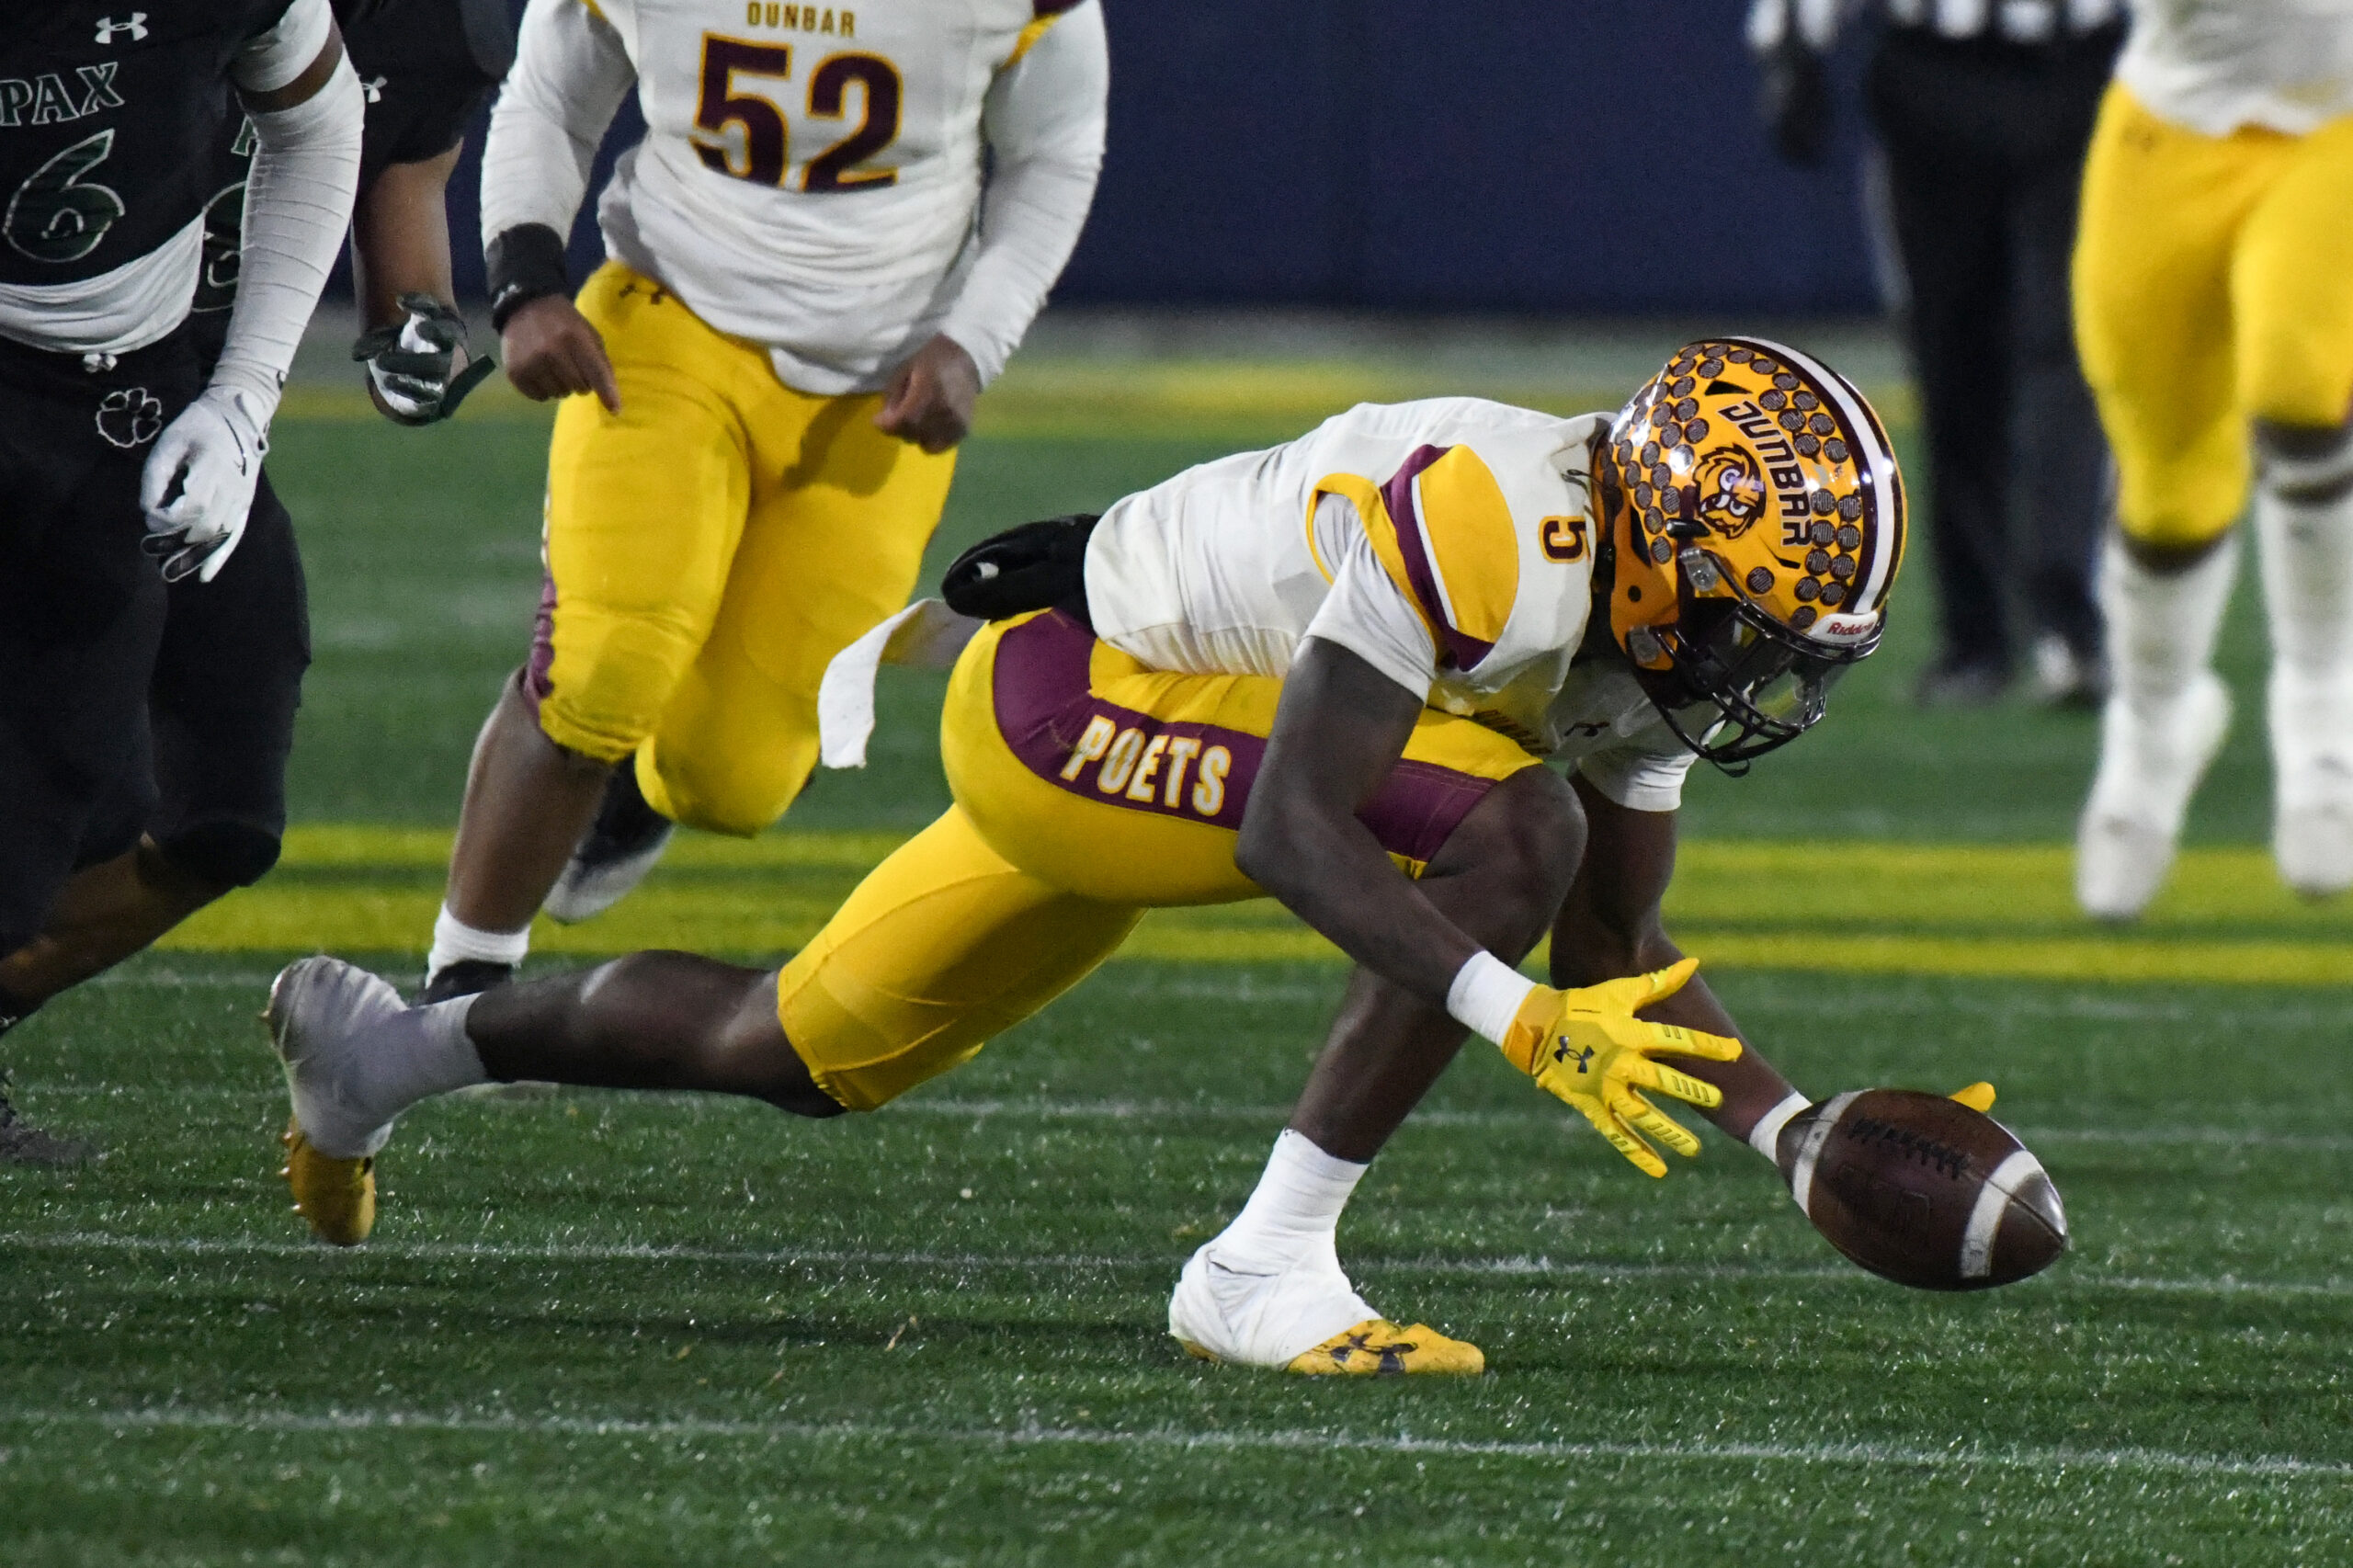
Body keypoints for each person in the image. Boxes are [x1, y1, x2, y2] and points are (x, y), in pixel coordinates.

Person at [267, 339, 1918, 1374]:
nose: (1750, 668)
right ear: (1655, 529)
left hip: (1152, 745)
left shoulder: (1636, 638)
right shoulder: (1503, 524)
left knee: (786, 1043)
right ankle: (1260, 1265)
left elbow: (1615, 951)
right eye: (1744, 619)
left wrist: (1796, 1128)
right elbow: (1297, 829)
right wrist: (1507, 1011)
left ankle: (387, 1053)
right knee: (1516, 821)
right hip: (1075, 699)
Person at [418, 0, 1110, 1004]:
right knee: (601, 671)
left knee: (734, 782)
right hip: (669, 314)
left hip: (878, 380)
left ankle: (633, 789)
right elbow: (552, 94)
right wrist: (525, 283)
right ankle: (459, 988)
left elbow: (1053, 155)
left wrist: (973, 340)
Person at [0, 0, 512, 1166]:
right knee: (67, 788)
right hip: (88, 372)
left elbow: (399, 192)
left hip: (199, 411)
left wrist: (412, 335)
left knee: (216, 815)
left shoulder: (420, 28)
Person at [1750, 0, 2121, 707]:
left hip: (2082, 73)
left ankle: (2069, 619)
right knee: (1955, 361)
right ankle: (1977, 637)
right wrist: (1791, 45)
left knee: (2068, 348)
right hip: (1933, 77)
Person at [2071, 1, 2353, 919]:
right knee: (2167, 493)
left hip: (2335, 122)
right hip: (2173, 124)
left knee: (2300, 385)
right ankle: (2153, 728)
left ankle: (2321, 708)